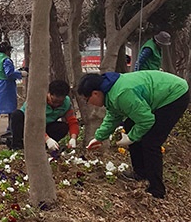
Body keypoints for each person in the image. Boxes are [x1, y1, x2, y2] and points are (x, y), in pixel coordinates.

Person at [77, 71, 189, 199]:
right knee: (130, 124)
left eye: (87, 100)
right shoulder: (110, 91)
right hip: (160, 93)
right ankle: (140, 172)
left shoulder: (122, 94)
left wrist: (131, 138)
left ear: (95, 93)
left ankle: (157, 189)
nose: (89, 104)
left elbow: (147, 120)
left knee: (151, 142)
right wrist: (99, 137)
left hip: (174, 94)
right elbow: (113, 116)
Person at [9, 80, 79, 151]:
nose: (56, 104)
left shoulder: (66, 103)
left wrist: (73, 138)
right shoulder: (37, 100)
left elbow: (72, 121)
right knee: (16, 115)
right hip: (28, 125)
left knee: (62, 127)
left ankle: (44, 146)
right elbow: (34, 123)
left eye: (60, 102)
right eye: (54, 101)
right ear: (49, 94)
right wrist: (47, 139)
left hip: (46, 126)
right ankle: (17, 146)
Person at [0, 42, 27, 134]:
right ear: (7, 50)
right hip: (6, 85)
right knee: (11, 107)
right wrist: (21, 74)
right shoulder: (6, 60)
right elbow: (9, 73)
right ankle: (10, 127)